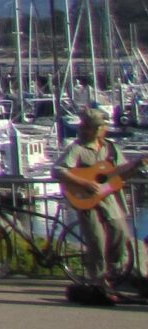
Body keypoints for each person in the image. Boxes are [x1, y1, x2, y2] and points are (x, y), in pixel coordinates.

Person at [56, 107, 143, 298]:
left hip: (110, 199)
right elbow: (58, 170)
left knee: (120, 232)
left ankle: (116, 272)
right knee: (96, 239)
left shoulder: (110, 148)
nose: (94, 131)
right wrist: (84, 182)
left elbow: (120, 175)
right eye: (90, 127)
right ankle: (99, 281)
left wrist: (136, 166)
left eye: (97, 127)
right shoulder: (77, 148)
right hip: (87, 200)